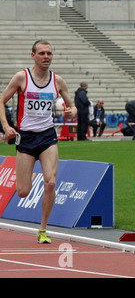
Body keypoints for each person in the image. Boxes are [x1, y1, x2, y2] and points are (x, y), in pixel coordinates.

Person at [0, 39, 77, 243]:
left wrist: (71, 111)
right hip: (25, 137)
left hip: (47, 136)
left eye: (49, 53)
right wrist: (6, 127)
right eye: (42, 53)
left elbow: (73, 106)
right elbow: (1, 101)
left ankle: (43, 230)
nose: (46, 57)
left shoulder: (57, 81)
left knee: (51, 182)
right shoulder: (21, 77)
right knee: (23, 192)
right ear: (33, 55)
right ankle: (28, 174)